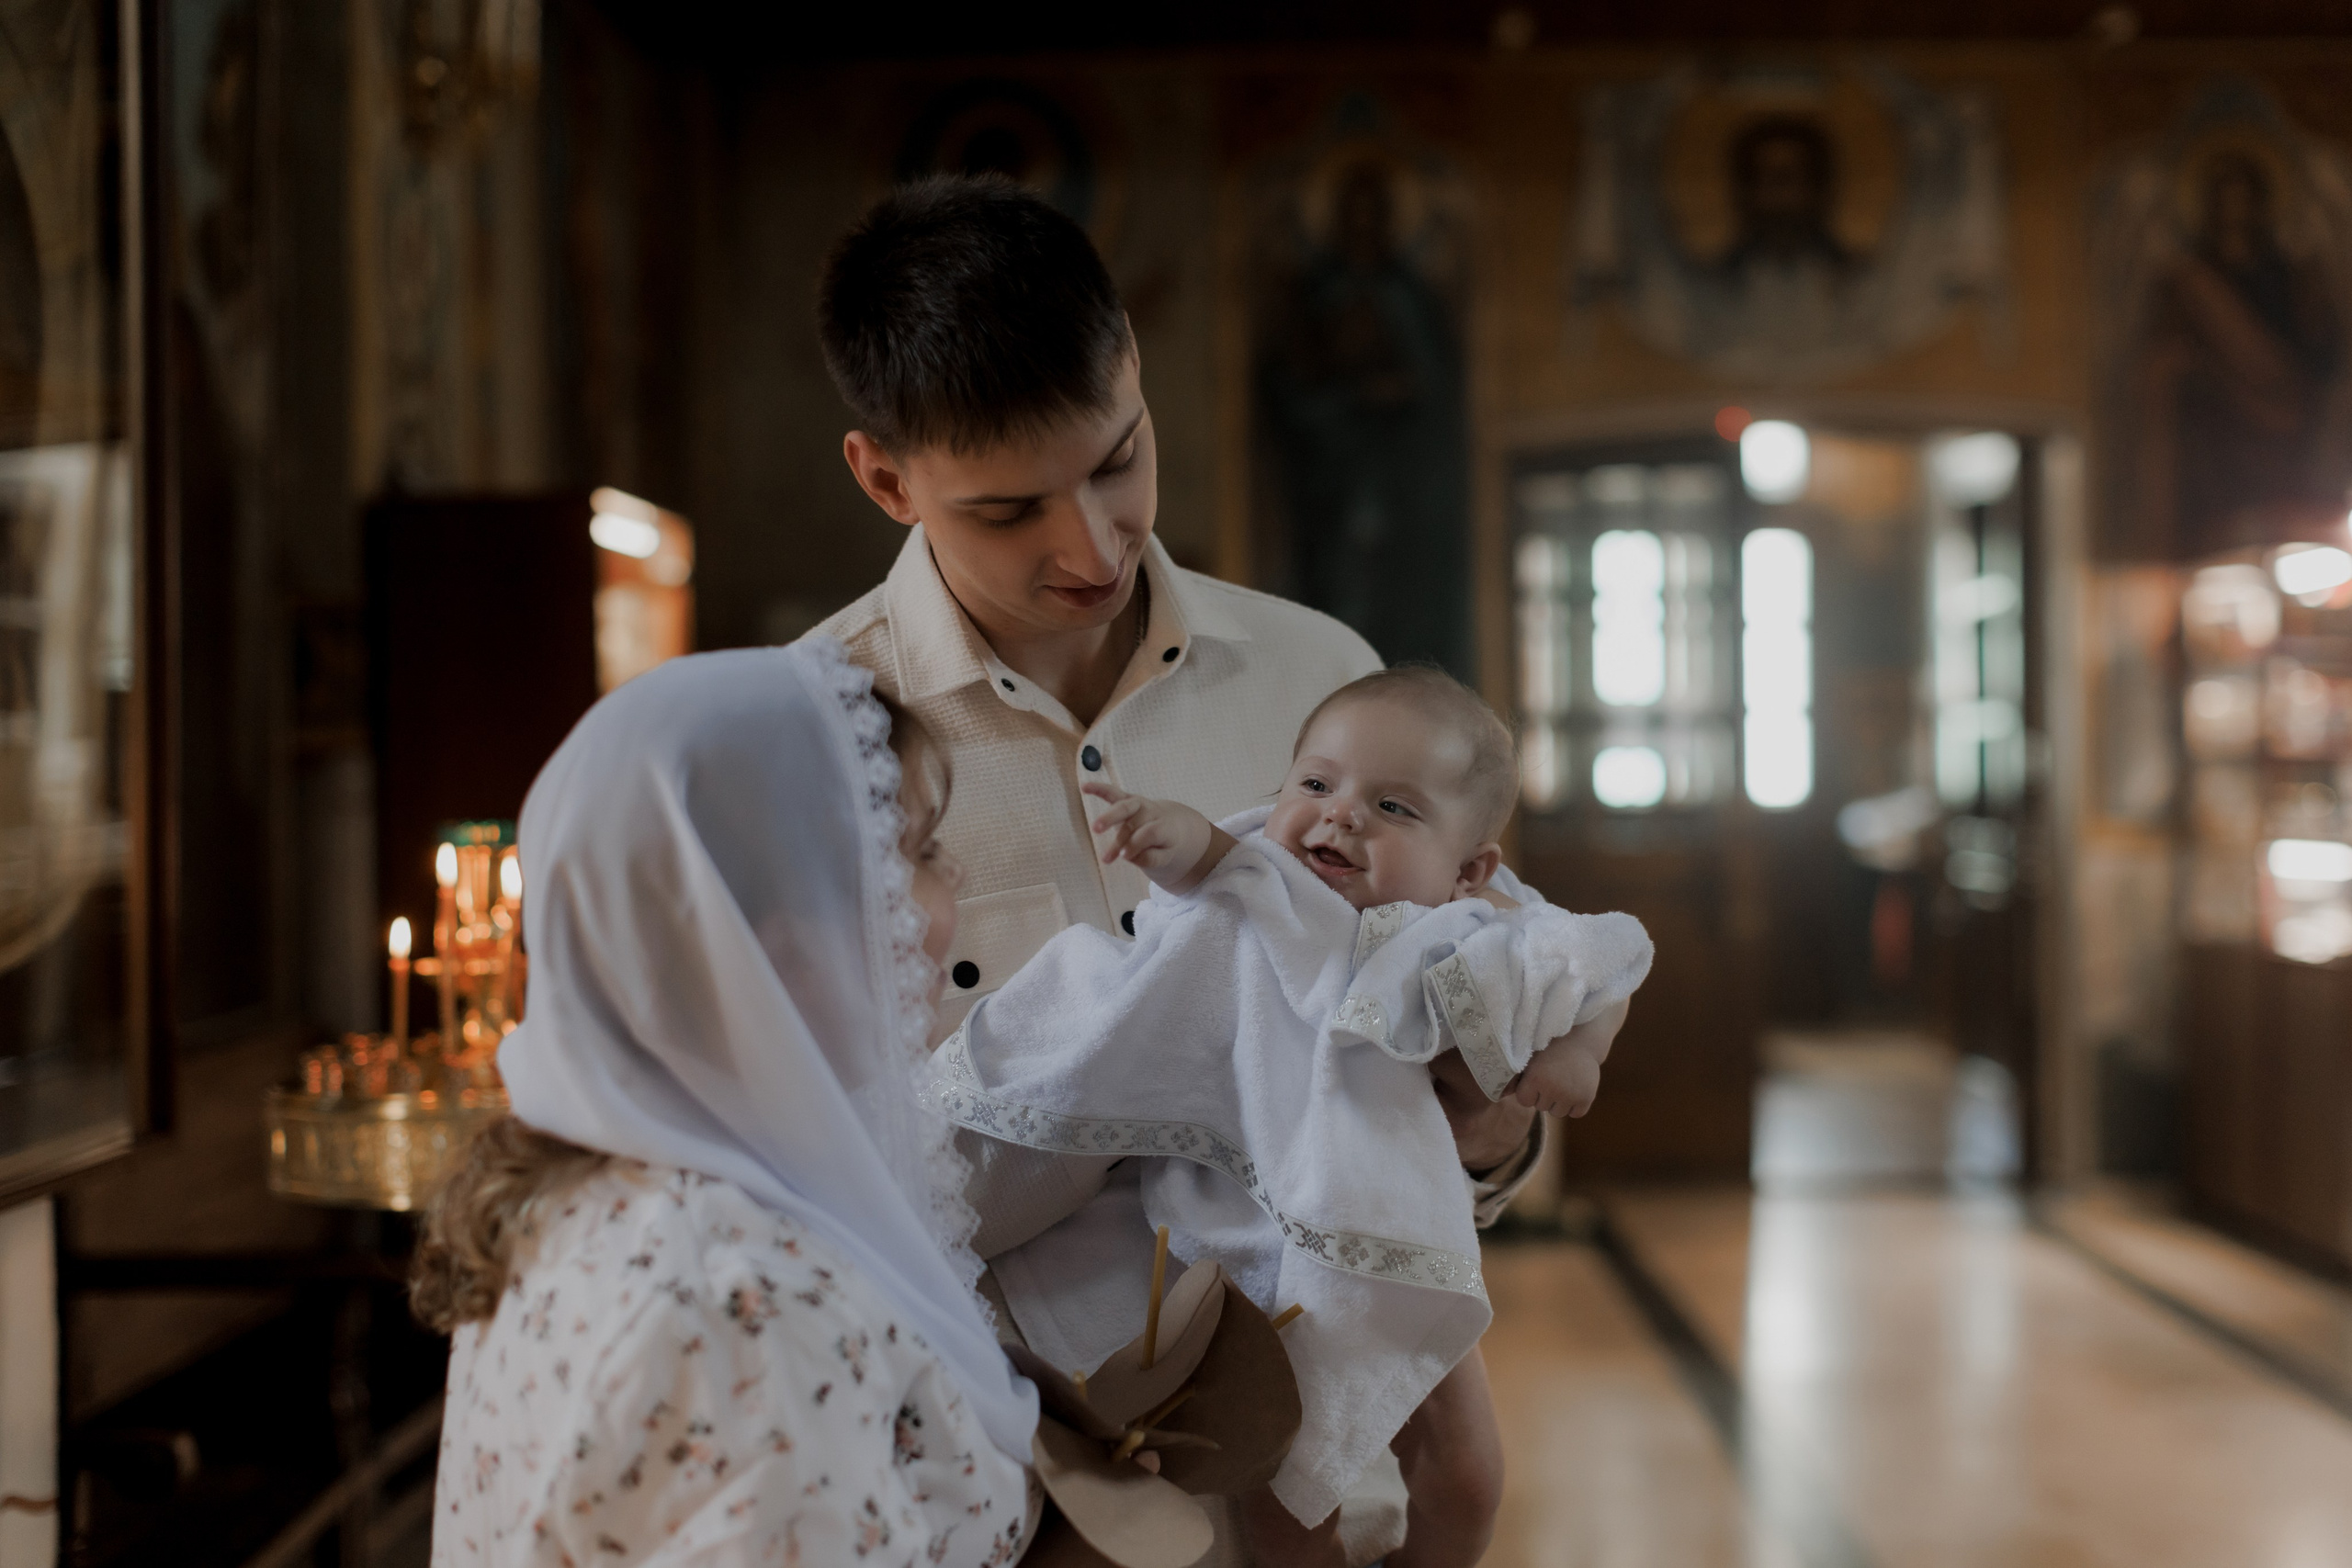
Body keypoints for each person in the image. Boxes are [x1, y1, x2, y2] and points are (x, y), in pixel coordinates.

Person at [811, 175, 1627, 1564]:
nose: (1094, 542)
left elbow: (1469, 1044)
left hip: (1330, 1505)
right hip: (998, 1497)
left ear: (1137, 366)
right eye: (1012, 509)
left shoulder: (1326, 684)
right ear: (887, 477)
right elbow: (803, 1168)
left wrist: (1492, 1133)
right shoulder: (816, 742)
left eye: (1120, 458)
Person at [931, 667, 1650, 1566]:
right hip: (1244, 1248)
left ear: (1469, 869)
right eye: (1314, 786)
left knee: (1467, 1477)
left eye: (1393, 808)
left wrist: (1574, 1053)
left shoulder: (1485, 932)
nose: (1341, 814)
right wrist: (1168, 831)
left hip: (1397, 1241)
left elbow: (1610, 959)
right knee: (1285, 1489)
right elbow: (1214, 854)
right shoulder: (1264, 886)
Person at [413, 639, 1038, 1567]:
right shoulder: (738, 1298)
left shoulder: (576, 1192)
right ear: (763, 929)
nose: (941, 904)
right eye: (912, 854)